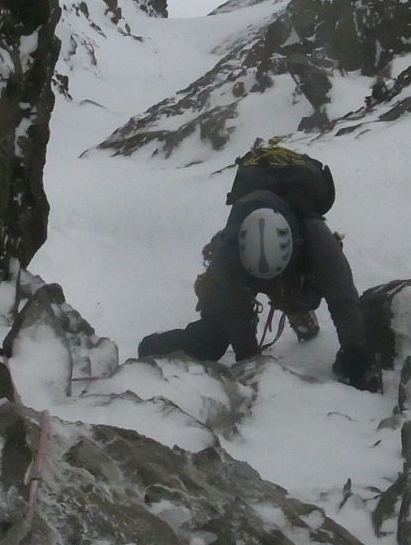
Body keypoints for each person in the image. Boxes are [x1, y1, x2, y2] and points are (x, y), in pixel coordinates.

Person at [137, 143, 381, 391]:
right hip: (237, 267)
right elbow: (232, 305)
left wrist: (355, 353)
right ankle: (149, 346)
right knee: (210, 341)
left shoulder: (317, 239)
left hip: (293, 267)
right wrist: (250, 358)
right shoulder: (230, 252)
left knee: (303, 294)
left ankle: (296, 306)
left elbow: (343, 299)